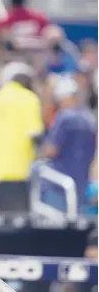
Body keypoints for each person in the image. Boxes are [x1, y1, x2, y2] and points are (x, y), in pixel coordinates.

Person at [0, 62, 44, 212]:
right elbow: (35, 133)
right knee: (19, 220)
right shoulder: (29, 98)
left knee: (1, 219)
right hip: (18, 169)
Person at [42, 76, 97, 211]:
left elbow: (51, 150)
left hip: (60, 183)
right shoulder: (90, 118)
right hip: (81, 182)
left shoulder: (64, 117)